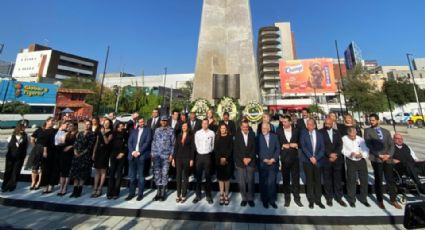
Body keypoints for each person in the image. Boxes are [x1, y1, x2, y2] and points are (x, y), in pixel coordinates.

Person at [364, 114, 401, 209]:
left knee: (390, 179)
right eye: (370, 120)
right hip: (376, 158)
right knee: (378, 179)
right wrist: (379, 155)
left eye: (373, 120)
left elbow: (391, 145)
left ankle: (393, 199)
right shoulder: (367, 131)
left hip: (387, 158)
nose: (371, 122)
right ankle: (380, 200)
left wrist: (388, 155)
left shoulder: (386, 131)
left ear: (378, 121)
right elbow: (369, 144)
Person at [276, 115, 303, 207]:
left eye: (285, 122)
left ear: (290, 122)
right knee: (286, 180)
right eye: (283, 122)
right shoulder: (279, 131)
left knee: (295, 179)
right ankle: (287, 199)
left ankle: (297, 198)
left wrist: (296, 144)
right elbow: (277, 143)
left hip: (294, 158)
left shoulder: (296, 130)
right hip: (284, 158)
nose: (283, 123)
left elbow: (301, 142)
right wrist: (282, 145)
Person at [319, 118, 346, 207]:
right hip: (326, 159)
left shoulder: (336, 132)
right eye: (326, 123)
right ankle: (329, 198)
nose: (327, 125)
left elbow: (340, 144)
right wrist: (329, 154)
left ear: (332, 123)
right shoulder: (320, 132)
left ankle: (339, 197)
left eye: (329, 124)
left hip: (337, 159)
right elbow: (321, 145)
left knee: (338, 179)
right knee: (327, 180)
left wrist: (336, 154)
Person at [300, 118, 325, 209]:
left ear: (314, 125)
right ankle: (311, 200)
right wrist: (310, 157)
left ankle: (318, 200)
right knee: (309, 181)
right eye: (307, 124)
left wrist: (316, 158)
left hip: (318, 161)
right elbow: (303, 146)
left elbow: (322, 148)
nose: (308, 126)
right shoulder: (304, 134)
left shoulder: (320, 135)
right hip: (307, 161)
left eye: (310, 124)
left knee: (318, 181)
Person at [342, 127, 370, 208]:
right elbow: (342, 149)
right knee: (351, 180)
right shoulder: (344, 139)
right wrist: (349, 153)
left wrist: (362, 154)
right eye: (351, 136)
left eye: (354, 135)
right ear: (348, 134)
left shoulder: (360, 139)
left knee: (364, 180)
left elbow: (366, 149)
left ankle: (364, 199)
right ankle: (352, 200)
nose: (353, 137)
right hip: (350, 161)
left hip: (361, 161)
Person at [126, 118, 152, 201]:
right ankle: (131, 193)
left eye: (143, 121)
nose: (142, 123)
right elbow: (129, 142)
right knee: (132, 177)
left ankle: (140, 194)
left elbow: (147, 142)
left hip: (142, 156)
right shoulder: (134, 131)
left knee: (141, 177)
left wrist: (139, 152)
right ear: (137, 123)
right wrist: (133, 151)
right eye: (140, 122)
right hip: (132, 156)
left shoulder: (148, 130)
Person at [69, 120, 96, 198]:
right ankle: (74, 191)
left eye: (89, 124)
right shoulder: (80, 133)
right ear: (84, 125)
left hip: (85, 156)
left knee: (82, 175)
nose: (87, 126)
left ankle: (79, 191)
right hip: (76, 155)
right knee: (75, 174)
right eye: (86, 124)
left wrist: (81, 154)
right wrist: (75, 152)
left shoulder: (92, 134)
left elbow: (89, 147)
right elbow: (76, 143)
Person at [151, 116, 175, 202]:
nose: (164, 122)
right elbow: (153, 142)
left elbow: (173, 144)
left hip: (166, 156)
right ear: (160, 121)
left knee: (165, 174)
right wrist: (152, 153)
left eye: (165, 120)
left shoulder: (171, 130)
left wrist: (171, 155)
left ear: (167, 121)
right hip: (157, 156)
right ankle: (158, 192)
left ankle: (163, 192)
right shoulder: (157, 130)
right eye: (162, 120)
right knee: (157, 174)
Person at [233, 120, 256, 207]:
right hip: (240, 161)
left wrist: (249, 158)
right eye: (244, 127)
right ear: (241, 127)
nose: (246, 128)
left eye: (247, 127)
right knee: (242, 181)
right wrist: (243, 159)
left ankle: (250, 198)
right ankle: (244, 198)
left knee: (250, 180)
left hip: (251, 160)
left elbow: (254, 148)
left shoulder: (252, 134)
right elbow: (236, 149)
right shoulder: (237, 135)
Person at [257, 124, 280, 209]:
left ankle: (272, 200)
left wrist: (273, 159)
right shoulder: (258, 137)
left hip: (273, 163)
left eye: (266, 128)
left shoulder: (275, 137)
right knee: (263, 183)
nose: (264, 129)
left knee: (272, 182)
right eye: (263, 128)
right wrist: (264, 159)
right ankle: (265, 200)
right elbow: (256, 150)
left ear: (269, 128)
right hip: (263, 164)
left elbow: (278, 148)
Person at [193, 119, 215, 204]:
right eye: (203, 123)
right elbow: (196, 143)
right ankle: (198, 196)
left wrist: (209, 151)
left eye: (206, 123)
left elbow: (213, 145)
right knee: (198, 177)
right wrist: (200, 151)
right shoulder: (198, 133)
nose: (205, 125)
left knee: (208, 177)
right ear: (201, 124)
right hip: (199, 156)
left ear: (208, 124)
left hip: (207, 156)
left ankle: (208, 196)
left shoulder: (212, 133)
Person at [2, 123, 28, 192]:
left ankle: (12, 186)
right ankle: (5, 186)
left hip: (20, 157)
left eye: (24, 128)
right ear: (18, 128)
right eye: (22, 128)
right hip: (10, 157)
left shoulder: (25, 136)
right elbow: (7, 146)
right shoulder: (11, 136)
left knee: (16, 171)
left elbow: (26, 147)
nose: (24, 129)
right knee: (8, 171)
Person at [172, 123, 195, 203]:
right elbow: (176, 147)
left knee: (185, 177)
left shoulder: (191, 136)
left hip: (187, 158)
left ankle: (184, 195)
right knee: (178, 177)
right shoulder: (179, 135)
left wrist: (191, 159)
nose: (184, 127)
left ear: (188, 127)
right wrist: (173, 159)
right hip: (178, 158)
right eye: (183, 126)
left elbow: (192, 148)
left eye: (185, 126)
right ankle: (178, 194)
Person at [91, 118, 113, 198]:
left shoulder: (111, 132)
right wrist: (93, 153)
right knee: (97, 171)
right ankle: (95, 187)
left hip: (105, 153)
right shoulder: (99, 130)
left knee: (103, 171)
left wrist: (103, 134)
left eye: (107, 123)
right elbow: (96, 142)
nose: (106, 124)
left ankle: (100, 188)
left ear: (110, 124)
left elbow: (107, 142)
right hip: (98, 152)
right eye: (105, 122)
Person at [107, 122, 128, 199]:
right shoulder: (113, 133)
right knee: (111, 174)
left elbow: (127, 144)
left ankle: (116, 193)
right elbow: (109, 144)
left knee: (119, 175)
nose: (120, 128)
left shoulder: (125, 134)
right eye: (119, 126)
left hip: (121, 156)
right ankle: (109, 193)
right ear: (116, 127)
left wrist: (123, 153)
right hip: (113, 155)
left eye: (122, 126)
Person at [214, 123, 233, 206]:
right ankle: (221, 194)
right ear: (219, 129)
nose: (223, 129)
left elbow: (231, 149)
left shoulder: (230, 137)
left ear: (226, 129)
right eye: (221, 128)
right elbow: (216, 149)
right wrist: (220, 158)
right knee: (220, 178)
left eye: (224, 128)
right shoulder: (217, 137)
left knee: (227, 179)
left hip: (227, 161)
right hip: (219, 161)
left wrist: (225, 158)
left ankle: (226, 195)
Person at [57, 122, 78, 196]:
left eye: (71, 126)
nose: (69, 127)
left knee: (68, 172)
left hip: (71, 154)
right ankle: (61, 188)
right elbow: (59, 142)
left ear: (74, 127)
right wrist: (62, 133)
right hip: (63, 154)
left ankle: (65, 187)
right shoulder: (65, 134)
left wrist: (71, 146)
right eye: (68, 126)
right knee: (63, 172)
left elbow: (77, 143)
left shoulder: (76, 134)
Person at [39, 117, 57, 194]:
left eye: (54, 121)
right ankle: (45, 185)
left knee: (53, 169)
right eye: (51, 121)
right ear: (47, 121)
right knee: (45, 169)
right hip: (46, 152)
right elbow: (43, 143)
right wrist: (44, 151)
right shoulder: (43, 131)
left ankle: (51, 185)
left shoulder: (55, 131)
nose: (53, 122)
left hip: (54, 151)